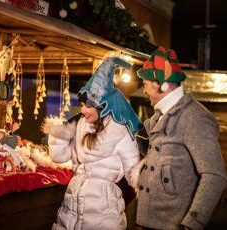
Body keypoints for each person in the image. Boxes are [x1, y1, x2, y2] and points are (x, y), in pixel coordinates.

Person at [42, 57, 142, 229]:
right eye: (82, 105)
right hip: (72, 207)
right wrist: (58, 133)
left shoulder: (121, 132)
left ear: (103, 106)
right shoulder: (80, 126)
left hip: (103, 210)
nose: (83, 110)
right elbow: (58, 156)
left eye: (88, 106)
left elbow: (134, 175)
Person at [134, 47, 227, 229]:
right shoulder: (160, 116)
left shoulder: (195, 117)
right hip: (147, 222)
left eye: (145, 84)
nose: (144, 91)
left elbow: (215, 176)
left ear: (163, 84)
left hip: (171, 225)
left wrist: (192, 223)